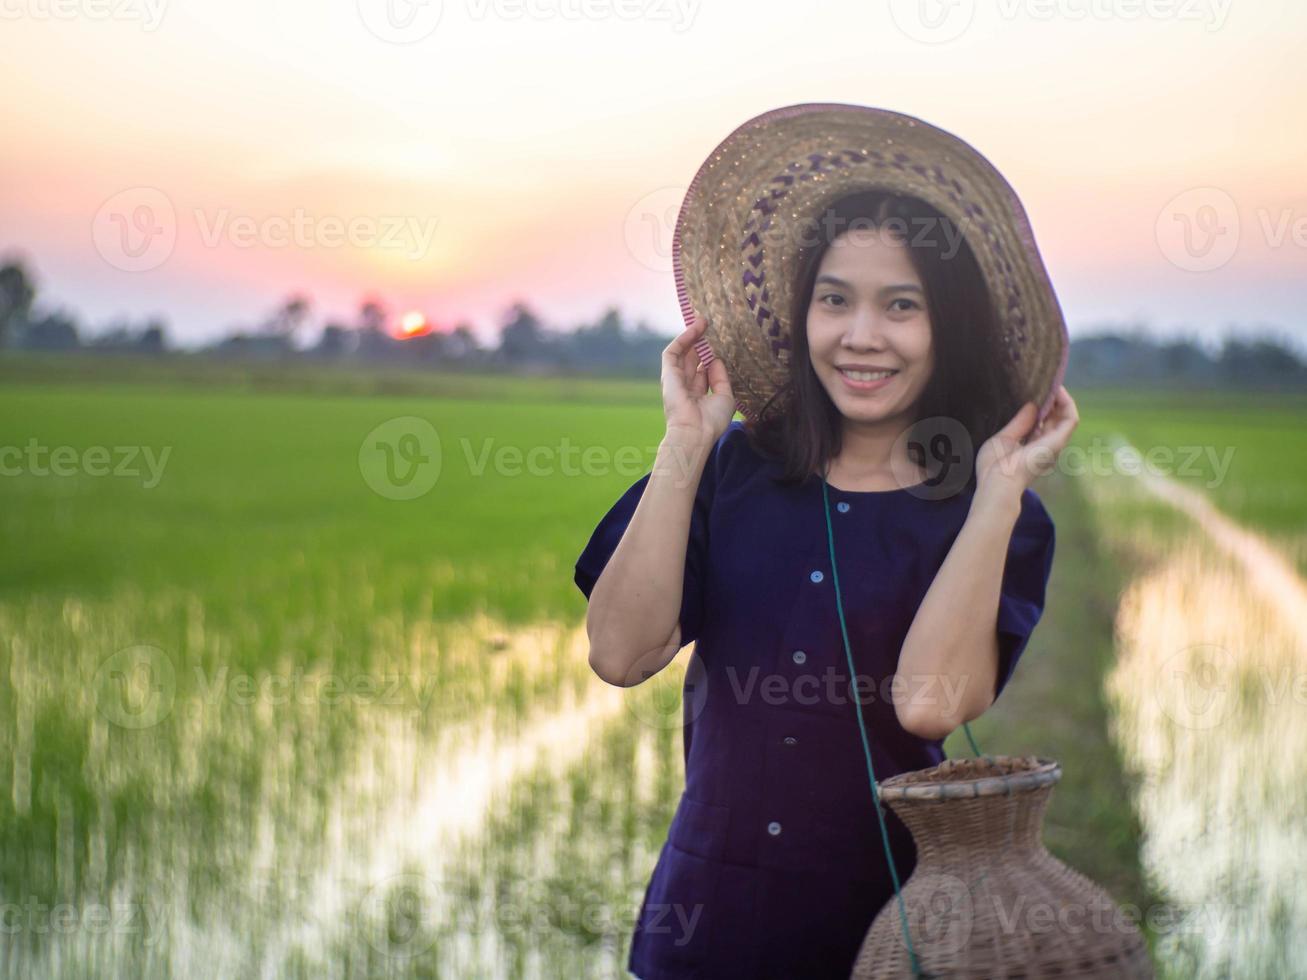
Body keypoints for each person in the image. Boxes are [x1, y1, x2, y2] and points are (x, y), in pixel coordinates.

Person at [574, 105, 1079, 979]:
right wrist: (685, 444)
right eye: (834, 300)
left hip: (895, 928)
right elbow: (620, 653)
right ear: (800, 317)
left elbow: (928, 704)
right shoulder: (729, 474)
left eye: (901, 307)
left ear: (944, 327)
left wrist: (998, 491)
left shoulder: (991, 514)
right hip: (710, 923)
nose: (861, 337)